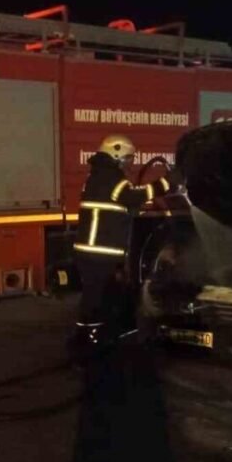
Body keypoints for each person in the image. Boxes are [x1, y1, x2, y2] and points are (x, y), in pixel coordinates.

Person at [71, 134, 181, 353]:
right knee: (96, 296)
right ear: (116, 154)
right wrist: (167, 182)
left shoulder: (100, 176)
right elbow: (133, 196)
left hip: (93, 251)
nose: (130, 163)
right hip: (98, 252)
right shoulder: (111, 179)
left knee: (101, 295)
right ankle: (88, 340)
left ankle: (95, 335)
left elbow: (123, 205)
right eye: (128, 158)